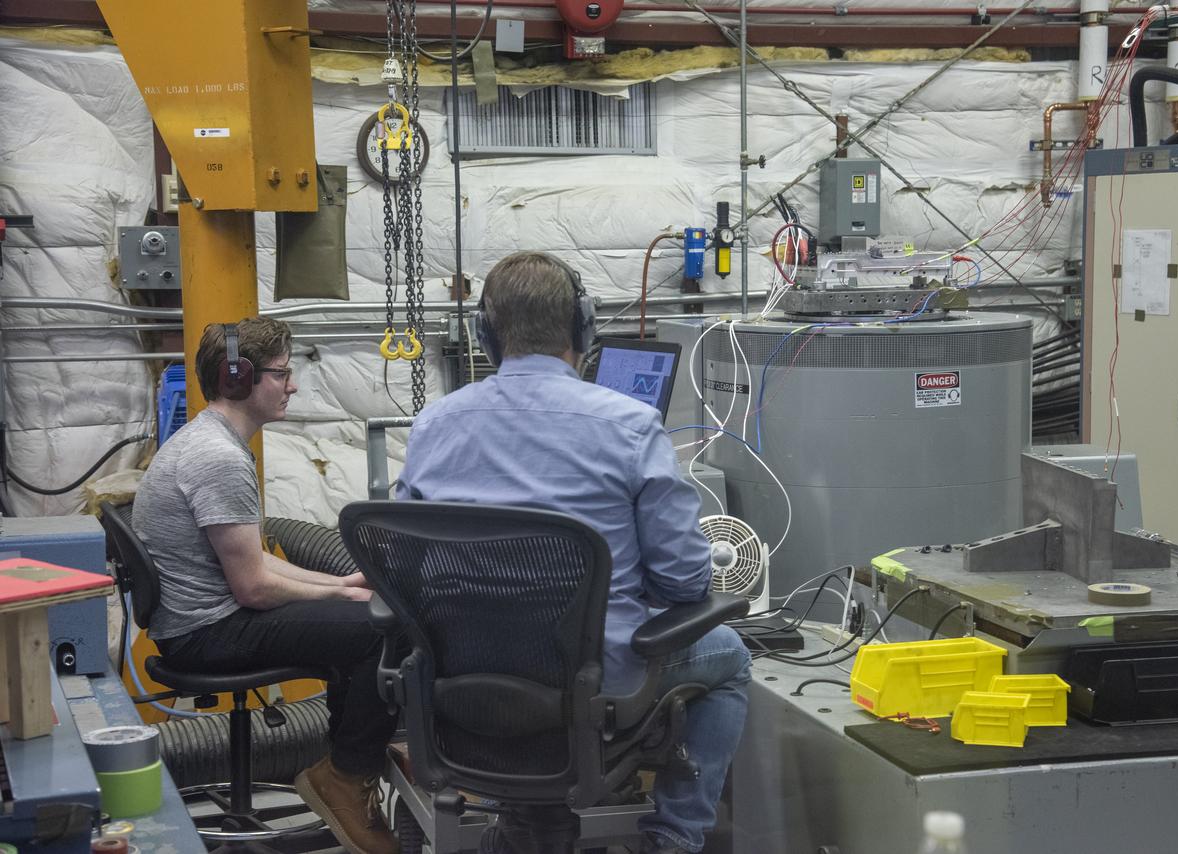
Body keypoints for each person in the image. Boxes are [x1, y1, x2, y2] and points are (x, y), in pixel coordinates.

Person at [398, 251, 751, 854]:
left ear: (485, 334)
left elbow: (405, 564)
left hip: (466, 678)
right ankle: (673, 839)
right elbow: (686, 584)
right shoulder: (632, 425)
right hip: (598, 680)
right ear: (585, 329)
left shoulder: (434, 425)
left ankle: (519, 825)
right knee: (731, 659)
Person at [131, 317, 398, 854]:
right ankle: (346, 778)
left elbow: (255, 562)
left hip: (204, 620)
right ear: (238, 379)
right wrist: (342, 597)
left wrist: (339, 580)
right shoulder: (218, 458)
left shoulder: (211, 442)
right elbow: (253, 588)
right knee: (384, 631)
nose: (292, 385)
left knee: (364, 612)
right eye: (281, 373)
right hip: (206, 633)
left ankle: (343, 769)